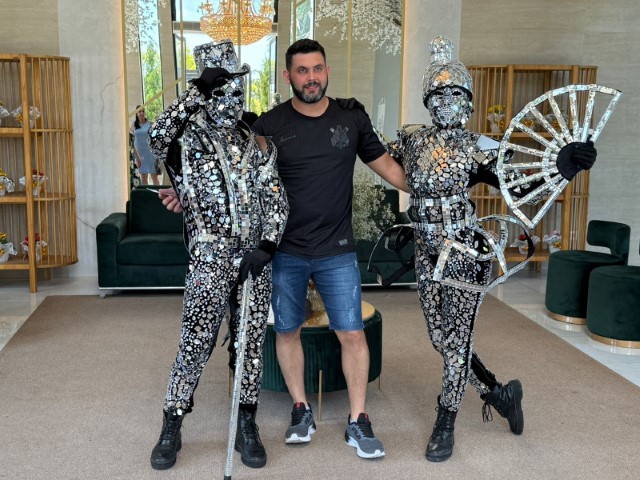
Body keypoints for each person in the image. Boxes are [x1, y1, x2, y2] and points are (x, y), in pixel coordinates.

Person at [386, 36, 598, 462]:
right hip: (424, 249)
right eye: (438, 95)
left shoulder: (478, 146)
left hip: (464, 250)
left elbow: (519, 184)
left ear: (468, 101)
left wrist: (563, 165)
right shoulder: (412, 139)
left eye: (455, 95)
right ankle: (500, 394)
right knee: (440, 338)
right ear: (427, 101)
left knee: (457, 339)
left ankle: (445, 420)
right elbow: (377, 155)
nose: (446, 102)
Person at [250, 39, 408, 459]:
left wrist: (436, 186)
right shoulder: (268, 124)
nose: (311, 78)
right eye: (302, 71)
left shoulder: (350, 119)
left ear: (327, 71)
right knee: (287, 330)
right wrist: (184, 194)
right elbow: (239, 179)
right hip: (285, 249)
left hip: (336, 249)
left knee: (351, 332)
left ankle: (358, 420)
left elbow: (389, 167)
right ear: (288, 76)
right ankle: (301, 409)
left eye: (317, 69)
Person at [147, 40, 288, 471]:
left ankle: (246, 424)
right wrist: (197, 89)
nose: (230, 100)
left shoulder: (257, 142)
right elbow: (156, 136)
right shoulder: (184, 141)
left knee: (249, 345)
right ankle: (172, 424)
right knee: (195, 341)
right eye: (219, 91)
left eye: (236, 91)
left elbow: (275, 197)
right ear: (206, 95)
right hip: (209, 258)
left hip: (254, 260)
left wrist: (268, 245)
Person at [131, 106, 160, 185]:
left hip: (149, 153)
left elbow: (156, 137)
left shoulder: (150, 124)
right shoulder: (134, 125)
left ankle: (158, 192)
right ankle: (146, 192)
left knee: (154, 176)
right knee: (143, 177)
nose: (141, 113)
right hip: (139, 154)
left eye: (143, 111)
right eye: (139, 111)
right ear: (136, 113)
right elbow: (131, 139)